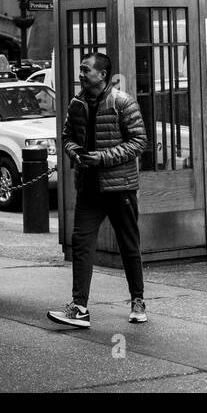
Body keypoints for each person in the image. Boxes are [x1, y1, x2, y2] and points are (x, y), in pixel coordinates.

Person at [48, 52, 148, 329]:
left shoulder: (122, 102)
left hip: (120, 187)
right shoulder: (77, 103)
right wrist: (74, 152)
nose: (80, 74)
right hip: (89, 186)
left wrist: (102, 158)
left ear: (102, 74)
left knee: (129, 245)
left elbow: (139, 142)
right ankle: (79, 307)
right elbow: (67, 136)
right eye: (81, 69)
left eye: (85, 69)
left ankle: (137, 300)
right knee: (81, 243)